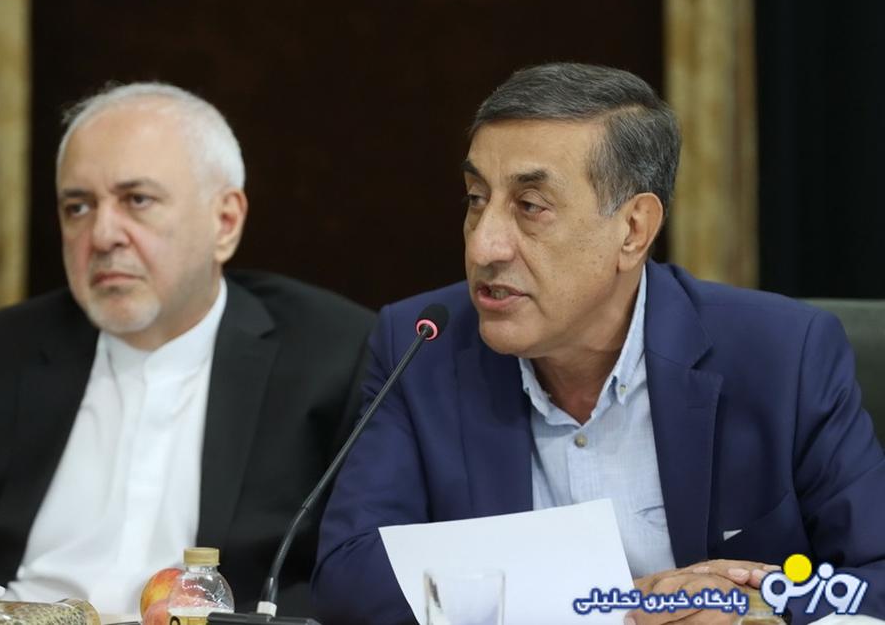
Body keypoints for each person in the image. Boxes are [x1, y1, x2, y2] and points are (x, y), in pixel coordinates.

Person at [312, 63, 885, 624]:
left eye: (530, 207)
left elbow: (875, 575)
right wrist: (608, 602)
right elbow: (348, 575)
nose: (483, 246)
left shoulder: (783, 354)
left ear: (634, 229)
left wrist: (752, 608)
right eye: (476, 198)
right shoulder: (422, 345)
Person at [0, 82, 375, 616]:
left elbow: (360, 578)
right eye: (78, 207)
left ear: (225, 222)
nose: (102, 235)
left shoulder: (333, 359)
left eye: (137, 200)